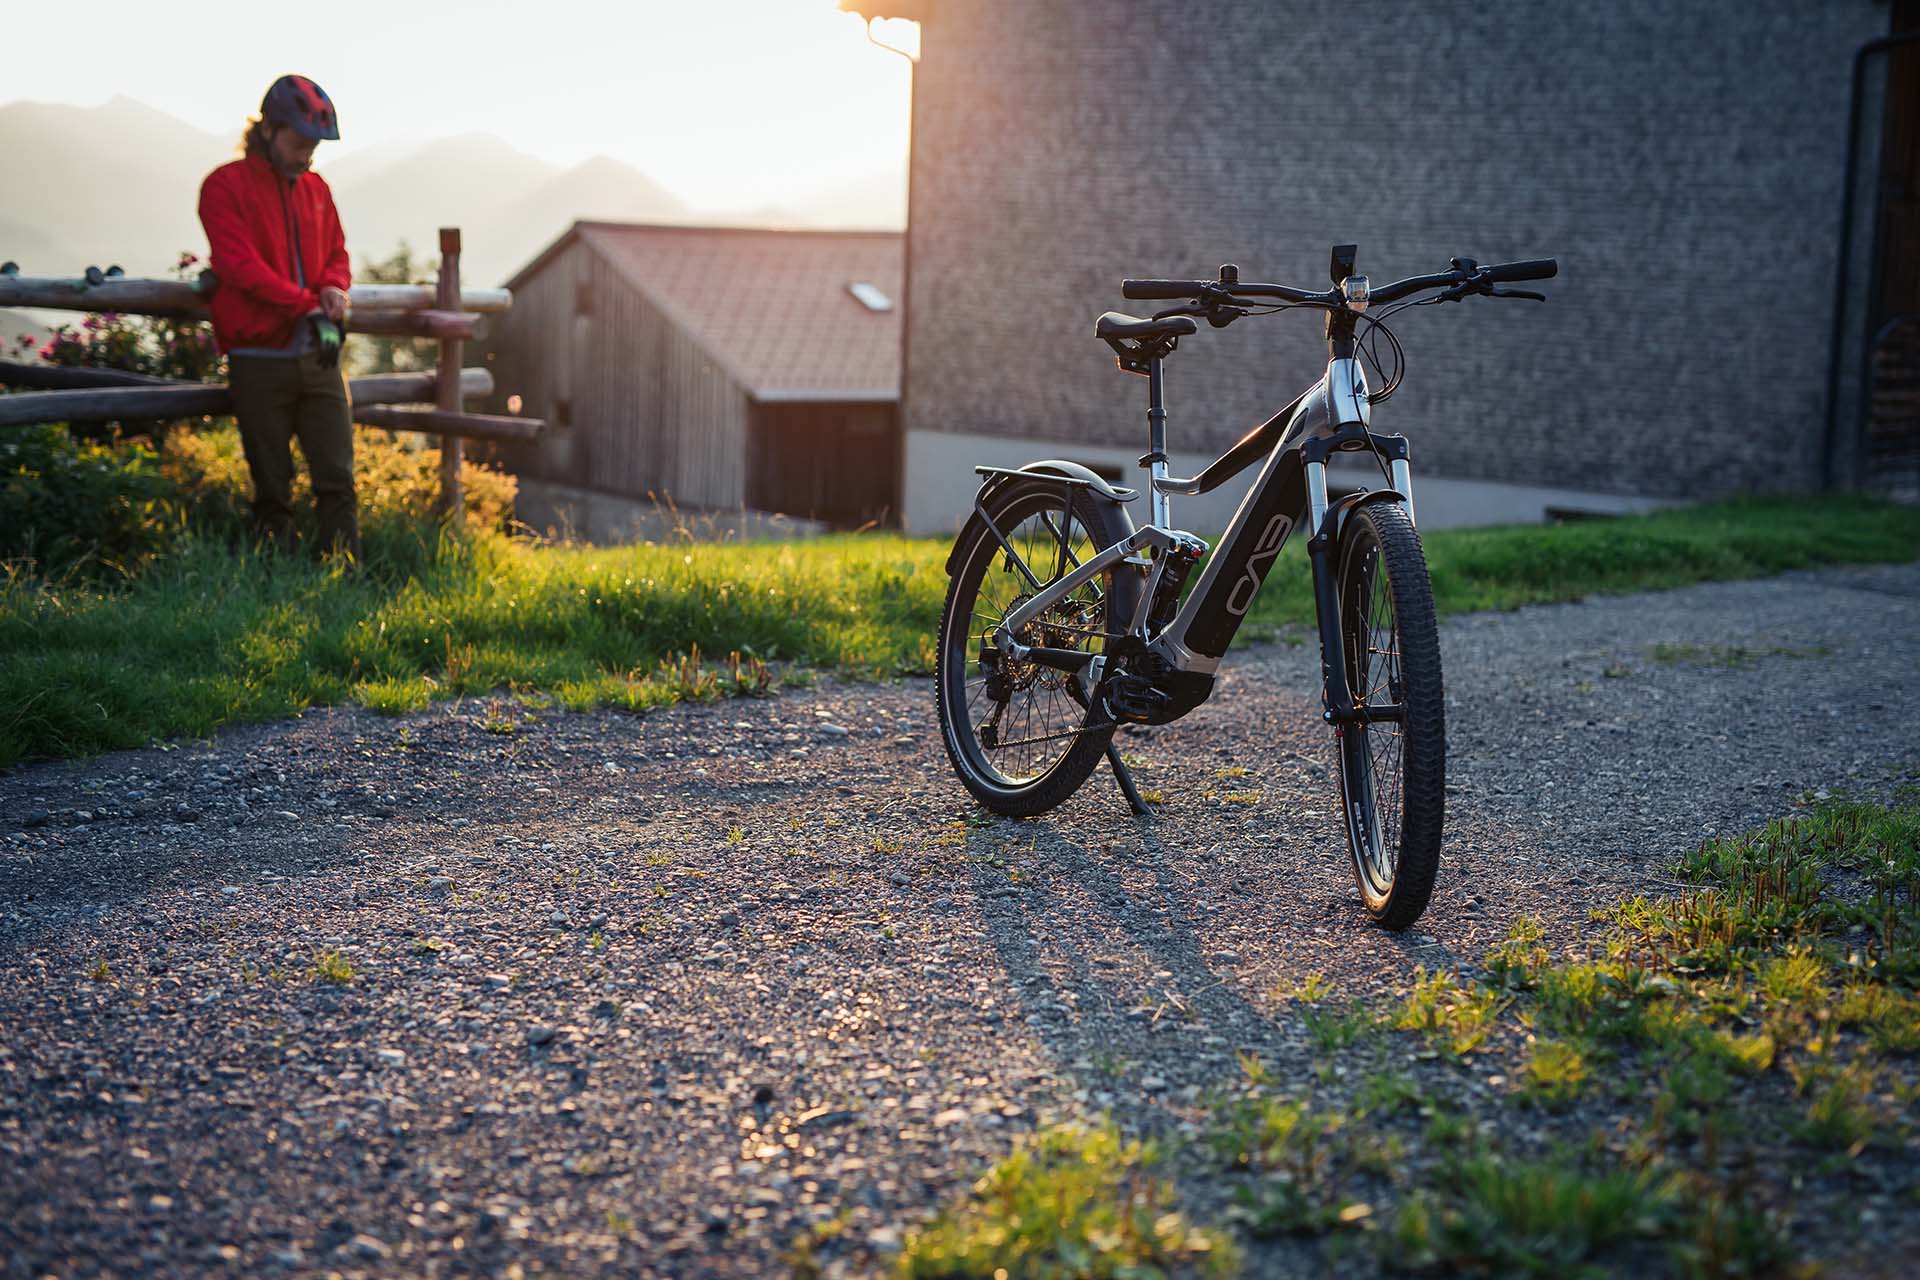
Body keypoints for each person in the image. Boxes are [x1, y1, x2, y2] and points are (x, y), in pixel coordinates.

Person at [197, 74, 359, 561]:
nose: (307, 154)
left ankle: (346, 578)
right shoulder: (224, 186)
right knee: (273, 486)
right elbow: (238, 266)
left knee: (337, 477)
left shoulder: (316, 189)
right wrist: (306, 304)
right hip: (258, 356)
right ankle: (274, 580)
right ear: (267, 129)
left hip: (318, 354)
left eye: (314, 145)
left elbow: (337, 252)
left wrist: (334, 287)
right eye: (298, 141)